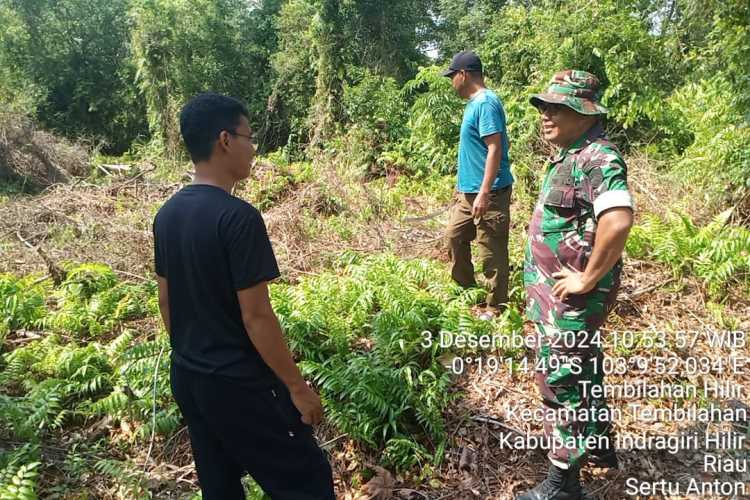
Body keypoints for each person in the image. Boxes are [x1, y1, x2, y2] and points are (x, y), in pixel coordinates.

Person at [153, 93, 335, 500]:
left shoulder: (167, 214)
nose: (254, 149)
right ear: (224, 140)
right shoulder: (238, 218)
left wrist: (196, 357)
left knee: (219, 486)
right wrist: (297, 387)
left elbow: (167, 303)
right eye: (249, 137)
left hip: (188, 376)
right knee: (307, 483)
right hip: (239, 386)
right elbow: (257, 317)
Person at [517, 70, 634, 500]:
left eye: (557, 107)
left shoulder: (598, 158)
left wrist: (588, 276)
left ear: (584, 112)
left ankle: (562, 485)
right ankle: (600, 448)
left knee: (562, 382)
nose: (546, 115)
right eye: (544, 106)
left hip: (571, 301)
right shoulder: (569, 155)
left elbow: (618, 220)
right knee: (583, 371)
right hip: (555, 301)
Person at [442, 50, 514, 318]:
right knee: (454, 236)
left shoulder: (485, 103)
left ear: (464, 74)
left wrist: (484, 192)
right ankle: (467, 292)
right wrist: (463, 188)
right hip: (469, 193)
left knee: (491, 251)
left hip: (490, 193)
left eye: (452, 76)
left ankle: (495, 306)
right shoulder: (474, 104)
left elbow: (494, 148)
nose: (452, 82)